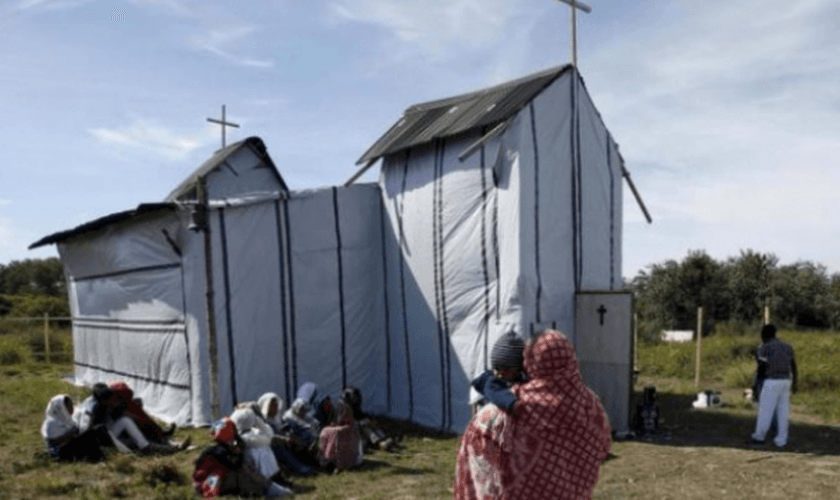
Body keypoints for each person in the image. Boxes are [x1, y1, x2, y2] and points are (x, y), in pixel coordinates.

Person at [454, 329, 612, 500]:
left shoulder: (495, 417)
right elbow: (602, 452)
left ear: (528, 361)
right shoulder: (593, 409)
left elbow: (479, 481)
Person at [193, 417, 292, 498]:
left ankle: (266, 486)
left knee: (244, 465)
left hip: (207, 484)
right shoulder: (220, 451)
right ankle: (266, 488)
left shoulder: (216, 448)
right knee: (243, 468)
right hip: (207, 486)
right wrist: (239, 453)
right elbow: (235, 465)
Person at [74, 382, 180, 455]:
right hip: (100, 439)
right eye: (105, 399)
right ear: (100, 400)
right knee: (127, 441)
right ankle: (142, 450)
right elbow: (89, 432)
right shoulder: (93, 409)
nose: (108, 401)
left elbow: (120, 411)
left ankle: (147, 445)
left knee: (126, 420)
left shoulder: (108, 402)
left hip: (111, 432)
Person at [750, 324, 797, 448]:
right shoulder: (787, 347)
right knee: (783, 412)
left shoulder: (765, 347)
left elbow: (761, 367)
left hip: (771, 380)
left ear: (764, 335)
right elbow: (793, 365)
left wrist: (756, 385)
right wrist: (795, 382)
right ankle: (781, 439)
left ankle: (759, 437)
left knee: (766, 410)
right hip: (786, 381)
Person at [257, 392, 316, 476]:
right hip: (272, 446)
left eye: (276, 405)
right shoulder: (262, 422)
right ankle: (297, 467)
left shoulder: (276, 419)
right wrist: (286, 439)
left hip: (284, 442)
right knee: (279, 446)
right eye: (273, 406)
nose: (276, 408)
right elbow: (270, 437)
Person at [107, 380, 178, 445]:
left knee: (140, 414)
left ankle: (160, 433)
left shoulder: (128, 404)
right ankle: (159, 436)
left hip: (125, 412)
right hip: (121, 424)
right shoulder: (110, 405)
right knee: (138, 419)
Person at [230, 403, 285, 484]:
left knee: (265, 450)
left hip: (254, 471)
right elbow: (269, 435)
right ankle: (273, 480)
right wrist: (257, 420)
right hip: (256, 475)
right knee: (264, 451)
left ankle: (275, 478)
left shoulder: (248, 434)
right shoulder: (249, 438)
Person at [41, 394, 105, 462]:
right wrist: (73, 433)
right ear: (60, 407)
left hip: (67, 447)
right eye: (67, 406)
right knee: (90, 435)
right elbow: (55, 442)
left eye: (70, 405)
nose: (71, 408)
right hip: (61, 453)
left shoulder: (64, 418)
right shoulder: (51, 423)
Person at [341, 386, 396, 452]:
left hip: (356, 430)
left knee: (369, 423)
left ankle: (383, 439)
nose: (357, 400)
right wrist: (360, 423)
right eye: (354, 398)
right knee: (365, 427)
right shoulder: (343, 409)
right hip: (349, 433)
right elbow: (345, 424)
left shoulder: (354, 407)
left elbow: (360, 415)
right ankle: (380, 443)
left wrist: (369, 419)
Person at [318, 399, 363, 472]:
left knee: (328, 432)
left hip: (343, 457)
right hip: (353, 458)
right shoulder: (353, 425)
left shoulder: (345, 426)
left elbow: (343, 423)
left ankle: (330, 460)